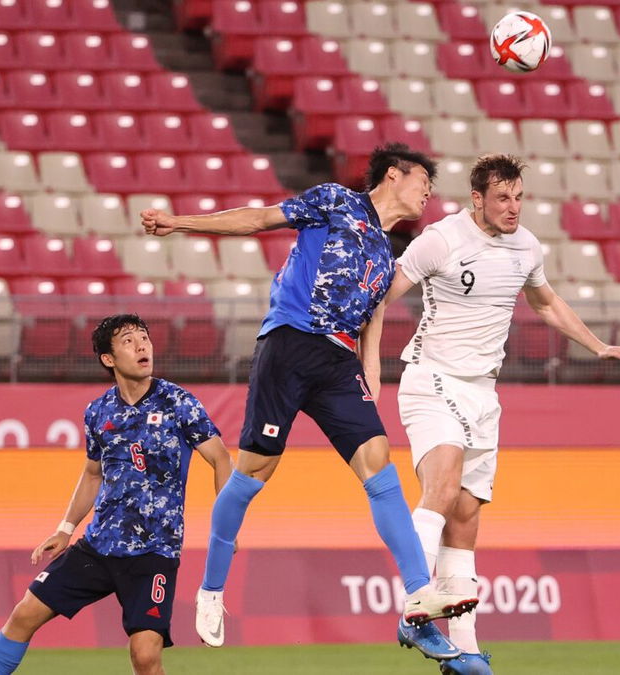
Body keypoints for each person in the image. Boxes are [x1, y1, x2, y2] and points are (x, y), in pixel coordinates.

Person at [140, 143, 475, 660]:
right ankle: (210, 590)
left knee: (379, 461)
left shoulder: (386, 254)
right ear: (393, 175)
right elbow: (257, 219)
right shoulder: (335, 200)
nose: (429, 192)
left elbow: (373, 321)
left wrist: (371, 372)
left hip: (340, 363)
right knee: (253, 473)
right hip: (291, 343)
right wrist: (179, 222)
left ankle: (417, 593)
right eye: (423, 181)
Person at [361, 154, 620, 673]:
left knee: (466, 518)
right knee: (442, 489)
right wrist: (371, 364)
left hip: (482, 394)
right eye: (502, 198)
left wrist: (598, 345)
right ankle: (415, 604)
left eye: (518, 197)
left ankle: (465, 651)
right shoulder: (441, 240)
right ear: (477, 199)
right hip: (432, 379)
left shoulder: (527, 246)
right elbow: (377, 296)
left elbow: (545, 303)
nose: (513, 208)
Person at [0, 314, 233, 674]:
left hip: (154, 553)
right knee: (23, 615)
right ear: (108, 359)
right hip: (97, 547)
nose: (142, 345)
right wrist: (66, 528)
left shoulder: (178, 402)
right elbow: (92, 472)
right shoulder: (98, 412)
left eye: (144, 337)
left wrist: (226, 529)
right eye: (129, 340)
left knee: (145, 657)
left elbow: (222, 460)